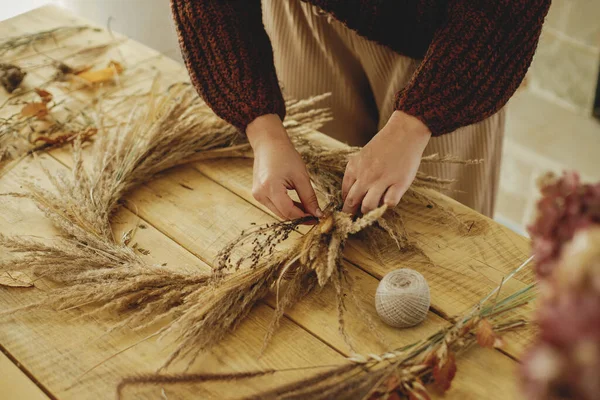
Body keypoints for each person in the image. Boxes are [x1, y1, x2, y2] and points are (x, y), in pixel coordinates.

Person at [170, 0, 550, 220]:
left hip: (447, 48)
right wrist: (261, 126)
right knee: (312, 230)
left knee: (441, 256)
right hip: (304, 17)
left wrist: (417, 121)